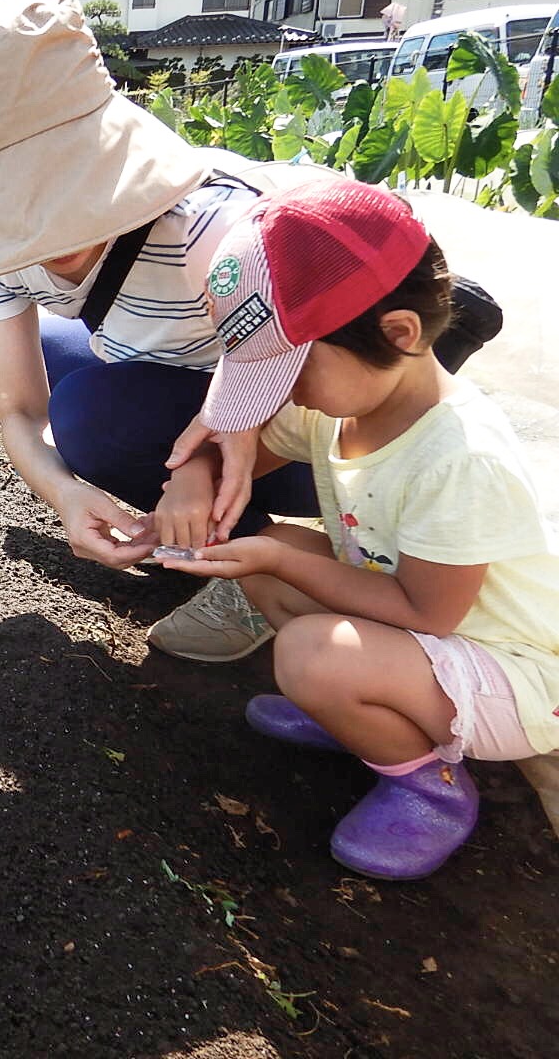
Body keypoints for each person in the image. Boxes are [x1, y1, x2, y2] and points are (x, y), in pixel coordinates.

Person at [0, 0, 498, 663]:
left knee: (89, 414)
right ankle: (206, 522)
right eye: (16, 212)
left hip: (293, 402)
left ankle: (250, 558)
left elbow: (289, 353)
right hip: (189, 376)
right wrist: (66, 497)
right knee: (55, 358)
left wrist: (195, 470)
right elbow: (18, 409)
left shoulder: (210, 228)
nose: (46, 239)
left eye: (63, 200)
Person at [161, 178, 559, 880]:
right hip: (428, 640)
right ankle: (364, 714)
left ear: (399, 334)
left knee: (312, 646)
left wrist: (280, 561)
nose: (280, 393)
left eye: (291, 368)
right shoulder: (333, 405)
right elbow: (233, 447)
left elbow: (426, 611)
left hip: (512, 674)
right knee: (268, 555)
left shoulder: (461, 457)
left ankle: (427, 783)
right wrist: (192, 483)